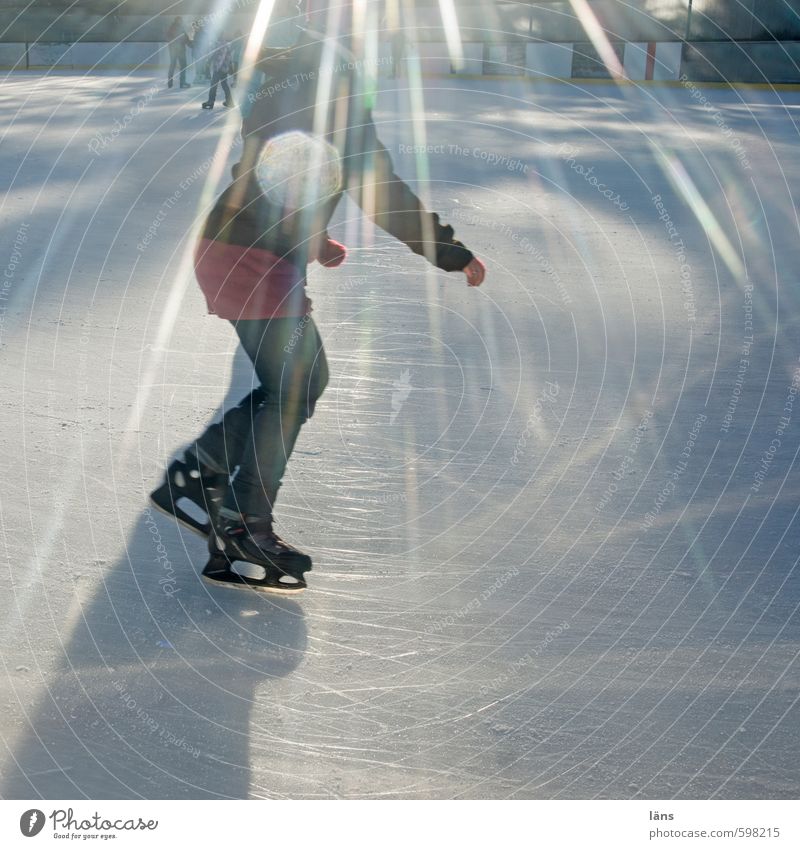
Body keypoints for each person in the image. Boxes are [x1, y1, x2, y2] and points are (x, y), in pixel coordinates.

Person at [151, 24, 485, 593]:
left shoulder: (279, 101)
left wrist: (312, 240)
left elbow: (279, 182)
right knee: (297, 386)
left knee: (296, 384)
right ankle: (241, 522)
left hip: (231, 249)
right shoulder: (342, 112)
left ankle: (199, 473)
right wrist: (450, 251)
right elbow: (385, 196)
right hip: (254, 262)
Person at [201, 34, 234, 109]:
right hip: (224, 68)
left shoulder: (219, 44)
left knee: (213, 85)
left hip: (219, 69)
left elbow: (220, 57)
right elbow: (228, 57)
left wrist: (216, 68)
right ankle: (230, 101)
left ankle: (210, 101)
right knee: (224, 84)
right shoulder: (225, 44)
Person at [166, 16, 191, 89]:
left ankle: (171, 83)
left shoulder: (172, 28)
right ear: (178, 21)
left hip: (173, 50)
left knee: (173, 65)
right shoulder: (179, 28)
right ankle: (181, 83)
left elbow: (169, 38)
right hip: (179, 50)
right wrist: (191, 44)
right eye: (180, 20)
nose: (181, 22)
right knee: (182, 65)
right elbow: (185, 38)